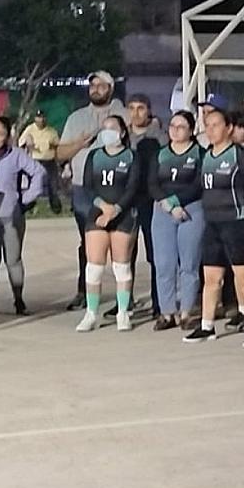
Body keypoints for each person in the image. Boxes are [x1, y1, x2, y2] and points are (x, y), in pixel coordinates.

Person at [184, 105, 244, 345]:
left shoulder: (241, 156)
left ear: (229, 128)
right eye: (207, 126)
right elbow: (199, 187)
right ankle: (207, 325)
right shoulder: (206, 157)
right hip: (213, 223)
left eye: (216, 125)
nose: (210, 130)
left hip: (237, 223)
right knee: (211, 277)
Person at [57, 71, 125, 311]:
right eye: (92, 85)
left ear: (111, 88)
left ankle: (124, 297)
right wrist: (79, 143)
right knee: (87, 241)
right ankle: (84, 291)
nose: (96, 89)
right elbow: (60, 154)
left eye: (101, 85)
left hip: (117, 189)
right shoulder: (76, 118)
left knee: (121, 243)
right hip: (84, 190)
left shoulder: (123, 114)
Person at [76, 115, 142, 332]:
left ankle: (123, 312)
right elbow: (87, 187)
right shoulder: (94, 156)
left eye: (112, 128)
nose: (107, 132)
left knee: (121, 266)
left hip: (123, 214)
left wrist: (115, 210)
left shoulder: (131, 156)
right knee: (94, 267)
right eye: (104, 129)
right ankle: (91, 313)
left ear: (122, 132)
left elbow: (132, 188)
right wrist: (103, 207)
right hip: (98, 213)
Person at [149, 110, 206, 331]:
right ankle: (167, 312)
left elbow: (199, 183)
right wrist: (167, 203)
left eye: (181, 127)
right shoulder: (160, 154)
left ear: (191, 130)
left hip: (190, 209)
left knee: (189, 263)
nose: (175, 130)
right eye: (172, 126)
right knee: (164, 263)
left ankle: (186, 311)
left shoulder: (199, 153)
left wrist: (176, 202)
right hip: (163, 210)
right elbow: (152, 183)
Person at [0, 116, 45, 316]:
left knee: (13, 259)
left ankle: (18, 299)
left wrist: (25, 199)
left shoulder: (16, 155)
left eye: (1, 134)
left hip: (11, 215)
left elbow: (39, 172)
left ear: (8, 136)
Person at [127, 93, 165, 317]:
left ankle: (158, 302)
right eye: (132, 108)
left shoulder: (160, 138)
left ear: (149, 110)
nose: (136, 113)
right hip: (127, 201)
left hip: (151, 201)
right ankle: (125, 301)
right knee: (125, 255)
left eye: (140, 108)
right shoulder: (122, 136)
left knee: (154, 254)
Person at [19, 108, 63, 213]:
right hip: (35, 161)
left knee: (53, 184)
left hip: (49, 161)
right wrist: (28, 146)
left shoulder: (51, 131)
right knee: (34, 186)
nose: (41, 120)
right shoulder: (30, 129)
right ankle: (29, 206)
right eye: (38, 118)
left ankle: (55, 207)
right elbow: (21, 143)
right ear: (35, 118)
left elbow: (58, 145)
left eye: (42, 117)